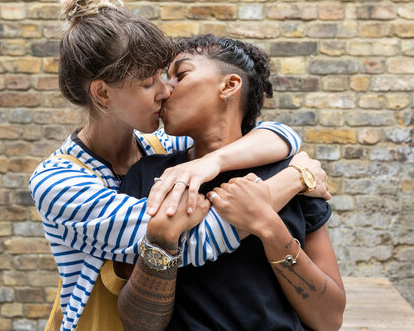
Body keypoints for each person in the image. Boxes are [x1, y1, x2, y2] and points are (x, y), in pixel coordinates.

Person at [29, 0, 330, 331]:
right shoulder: (59, 182)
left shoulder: (160, 148)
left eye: (165, 75)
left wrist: (211, 162)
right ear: (103, 94)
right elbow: (192, 243)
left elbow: (279, 134)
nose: (165, 89)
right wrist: (294, 179)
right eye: (147, 83)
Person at [116, 35, 346, 330]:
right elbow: (138, 324)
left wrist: (267, 224)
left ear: (229, 86)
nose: (163, 91)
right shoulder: (150, 177)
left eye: (179, 75)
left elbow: (329, 319)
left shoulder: (294, 176)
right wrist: (162, 242)